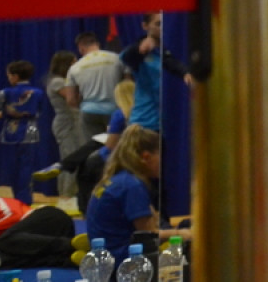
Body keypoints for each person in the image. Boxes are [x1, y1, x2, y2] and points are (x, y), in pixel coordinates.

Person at [85, 125, 191, 262]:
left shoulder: (119, 180)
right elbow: (148, 235)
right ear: (146, 157)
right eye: (160, 157)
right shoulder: (132, 186)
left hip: (107, 256)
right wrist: (180, 233)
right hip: (123, 260)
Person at [120, 12, 191, 133]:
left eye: (164, 24)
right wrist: (140, 48)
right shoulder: (139, 52)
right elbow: (126, 57)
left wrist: (186, 73)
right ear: (145, 26)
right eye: (158, 24)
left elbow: (171, 63)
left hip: (163, 121)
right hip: (143, 122)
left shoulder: (164, 51)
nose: (162, 28)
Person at [0, 59, 42, 203]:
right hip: (31, 132)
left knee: (12, 169)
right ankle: (25, 199)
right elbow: (40, 111)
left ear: (15, 76)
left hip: (10, 134)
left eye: (9, 76)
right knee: (27, 168)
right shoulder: (38, 93)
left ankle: (16, 199)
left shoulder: (6, 92)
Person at [63, 31, 125, 140]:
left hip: (89, 111)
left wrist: (83, 105)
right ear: (97, 44)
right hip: (115, 110)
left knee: (93, 146)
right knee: (117, 145)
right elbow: (128, 84)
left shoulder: (74, 68)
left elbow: (70, 100)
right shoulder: (117, 59)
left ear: (81, 48)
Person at [44, 49, 86, 201]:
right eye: (74, 62)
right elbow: (73, 98)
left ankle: (68, 194)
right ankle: (67, 196)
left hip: (75, 121)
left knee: (74, 158)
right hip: (66, 123)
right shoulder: (58, 82)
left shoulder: (65, 80)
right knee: (71, 159)